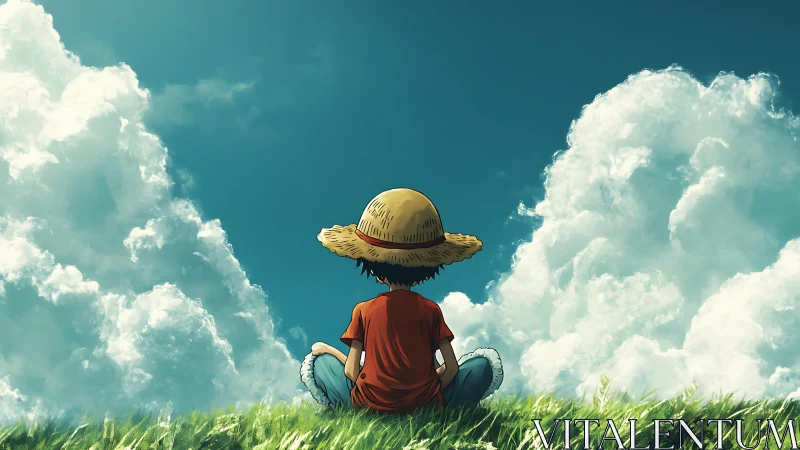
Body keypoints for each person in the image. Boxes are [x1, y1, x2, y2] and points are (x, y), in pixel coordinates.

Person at [299, 188, 503, 413]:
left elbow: (350, 372)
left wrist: (329, 350)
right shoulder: (430, 310)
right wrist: (433, 392)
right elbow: (452, 367)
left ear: (373, 267)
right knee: (482, 365)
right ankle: (441, 409)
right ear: (426, 269)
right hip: (425, 403)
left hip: (370, 405)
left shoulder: (363, 310)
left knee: (320, 364)